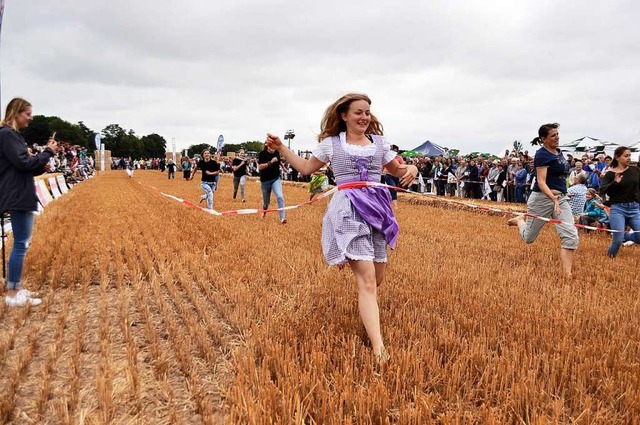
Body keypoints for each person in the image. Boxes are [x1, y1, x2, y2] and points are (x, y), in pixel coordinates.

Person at [265, 93, 418, 362]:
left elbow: (396, 170)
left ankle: (367, 316)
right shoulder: (331, 145)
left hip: (378, 210)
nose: (364, 117)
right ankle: (379, 349)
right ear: (344, 116)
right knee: (368, 280)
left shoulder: (380, 144)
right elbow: (305, 168)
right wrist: (281, 148)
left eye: (367, 112)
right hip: (347, 210)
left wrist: (412, 168)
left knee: (376, 278)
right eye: (358, 112)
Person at [0, 98, 56, 307]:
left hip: (19, 191)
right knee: (21, 244)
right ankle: (13, 293)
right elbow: (23, 163)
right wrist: (47, 152)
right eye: (28, 114)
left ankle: (14, 288)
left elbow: (27, 167)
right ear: (16, 113)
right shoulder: (8, 135)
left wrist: (42, 164)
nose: (30, 119)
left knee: (22, 243)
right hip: (18, 194)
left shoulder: (10, 136)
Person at [508, 123, 579, 279]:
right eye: (553, 135)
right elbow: (541, 181)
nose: (557, 138)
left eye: (557, 134)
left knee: (571, 235)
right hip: (542, 199)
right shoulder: (542, 155)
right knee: (528, 238)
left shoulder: (559, 153)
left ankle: (567, 274)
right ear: (544, 139)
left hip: (560, 200)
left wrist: (560, 195)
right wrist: (552, 197)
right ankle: (520, 221)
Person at [599, 146, 640, 258]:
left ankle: (626, 236)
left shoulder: (635, 170)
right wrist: (615, 183)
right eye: (626, 156)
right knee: (617, 240)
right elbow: (602, 190)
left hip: (635, 208)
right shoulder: (610, 174)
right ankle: (609, 259)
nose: (629, 158)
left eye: (629, 155)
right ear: (617, 157)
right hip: (618, 209)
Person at [258, 143, 287, 223]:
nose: (272, 148)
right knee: (266, 203)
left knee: (280, 197)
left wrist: (283, 168)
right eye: (270, 146)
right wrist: (270, 162)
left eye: (273, 147)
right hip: (265, 181)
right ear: (267, 146)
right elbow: (260, 167)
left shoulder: (277, 153)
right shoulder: (262, 154)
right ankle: (264, 212)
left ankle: (282, 218)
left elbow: (279, 161)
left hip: (275, 179)